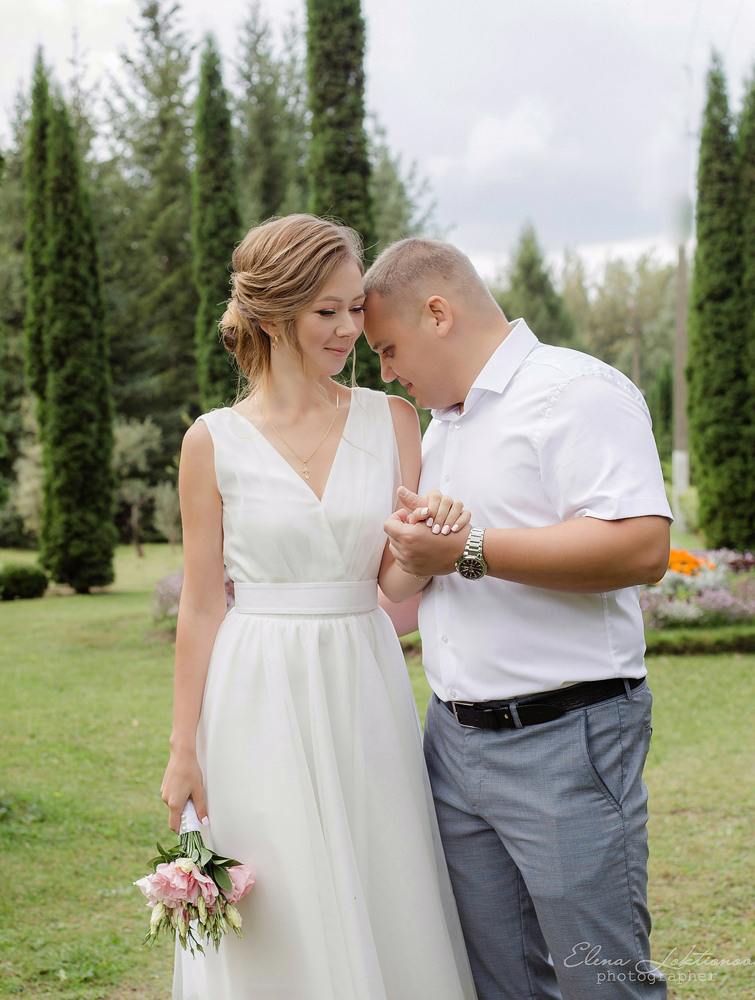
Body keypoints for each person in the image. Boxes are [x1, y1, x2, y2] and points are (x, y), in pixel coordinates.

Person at [160, 215, 477, 1000]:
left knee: (381, 873)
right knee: (284, 893)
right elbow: (201, 607)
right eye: (325, 311)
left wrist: (418, 544)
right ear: (273, 313)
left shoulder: (392, 420)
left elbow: (395, 585)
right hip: (253, 688)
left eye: (354, 308)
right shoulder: (211, 442)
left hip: (360, 676)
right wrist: (183, 747)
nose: (349, 328)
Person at [362, 237, 673, 1000]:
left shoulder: (576, 391)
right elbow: (419, 587)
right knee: (496, 982)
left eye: (389, 348)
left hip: (565, 740)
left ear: (439, 312)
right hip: (453, 744)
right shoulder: (441, 431)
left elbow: (641, 546)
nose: (387, 372)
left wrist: (468, 548)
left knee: (603, 981)